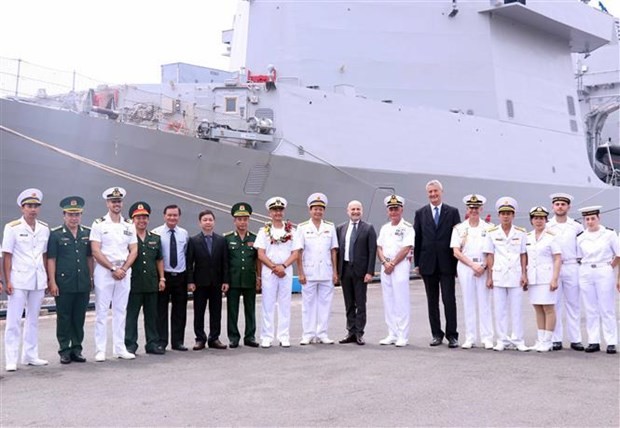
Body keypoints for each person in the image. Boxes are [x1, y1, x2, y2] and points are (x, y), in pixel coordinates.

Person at [2, 188, 50, 371]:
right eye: (29, 206)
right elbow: (7, 255)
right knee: (14, 320)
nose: (33, 209)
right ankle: (11, 358)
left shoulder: (44, 228)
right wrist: (8, 281)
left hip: (38, 279)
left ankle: (30, 355)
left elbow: (44, 255)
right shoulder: (12, 227)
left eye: (36, 206)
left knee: (33, 319)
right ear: (22, 208)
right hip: (19, 279)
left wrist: (46, 277)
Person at [90, 187, 138, 362]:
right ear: (107, 203)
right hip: (105, 271)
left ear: (121, 203)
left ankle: (120, 348)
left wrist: (123, 269)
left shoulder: (128, 224)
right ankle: (100, 350)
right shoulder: (99, 224)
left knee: (120, 311)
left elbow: (134, 249)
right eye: (113, 201)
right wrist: (112, 269)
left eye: (118, 201)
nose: (116, 204)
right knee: (101, 312)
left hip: (124, 272)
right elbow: (95, 250)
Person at [414, 179, 461, 348]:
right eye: (430, 192)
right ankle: (436, 334)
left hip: (447, 263)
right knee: (432, 301)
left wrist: (457, 265)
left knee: (449, 300)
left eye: (436, 191)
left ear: (441, 192)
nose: (433, 194)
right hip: (428, 264)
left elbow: (457, 239)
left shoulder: (452, 212)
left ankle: (452, 335)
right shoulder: (421, 213)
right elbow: (417, 239)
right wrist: (417, 263)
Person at [46, 196, 93, 364]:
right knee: (64, 317)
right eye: (70, 214)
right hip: (64, 283)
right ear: (64, 215)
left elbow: (89, 258)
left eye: (77, 214)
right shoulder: (56, 234)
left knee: (79, 317)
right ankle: (64, 350)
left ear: (81, 215)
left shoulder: (86, 233)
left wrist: (91, 277)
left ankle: (77, 349)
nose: (74, 218)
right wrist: (52, 281)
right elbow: (51, 259)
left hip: (82, 282)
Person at [483, 197, 529, 352]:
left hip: (516, 274)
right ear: (499, 215)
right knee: (500, 309)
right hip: (499, 274)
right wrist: (489, 277)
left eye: (509, 213)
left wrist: (524, 274)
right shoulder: (492, 233)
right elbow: (490, 255)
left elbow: (523, 255)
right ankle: (502, 339)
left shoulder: (521, 233)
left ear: (513, 215)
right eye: (503, 213)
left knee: (517, 309)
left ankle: (518, 339)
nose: (506, 216)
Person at [450, 194, 494, 349]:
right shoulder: (460, 228)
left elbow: (491, 252)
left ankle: (487, 337)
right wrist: (472, 265)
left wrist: (483, 267)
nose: (474, 210)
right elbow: (456, 251)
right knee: (468, 302)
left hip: (483, 266)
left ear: (481, 209)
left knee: (485, 302)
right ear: (467, 209)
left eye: (476, 208)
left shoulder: (489, 228)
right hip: (466, 266)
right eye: (471, 207)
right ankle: (470, 337)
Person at [254, 197, 299, 348]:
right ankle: (266, 336)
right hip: (270, 271)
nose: (277, 213)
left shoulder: (292, 231)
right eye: (274, 210)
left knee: (285, 304)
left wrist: (283, 266)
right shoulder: (264, 231)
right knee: (268, 304)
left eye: (280, 210)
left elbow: (295, 253)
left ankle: (284, 336)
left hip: (285, 271)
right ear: (270, 212)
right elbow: (260, 254)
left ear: (283, 211)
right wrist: (274, 267)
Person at [296, 193, 339, 345]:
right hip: (309, 272)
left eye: (321, 209)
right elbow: (298, 252)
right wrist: (300, 272)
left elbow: (333, 250)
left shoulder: (330, 227)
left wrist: (335, 272)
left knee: (325, 304)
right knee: (308, 305)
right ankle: (308, 333)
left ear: (324, 211)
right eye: (315, 209)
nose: (318, 212)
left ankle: (322, 333)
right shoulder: (302, 228)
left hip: (326, 272)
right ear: (310, 210)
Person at [576, 206, 620, 354]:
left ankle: (611, 342)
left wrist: (610, 267)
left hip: (603, 270)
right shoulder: (581, 237)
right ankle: (593, 341)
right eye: (587, 219)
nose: (590, 222)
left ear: (598, 218)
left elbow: (618, 254)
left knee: (606, 308)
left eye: (592, 218)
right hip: (586, 271)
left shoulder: (609, 234)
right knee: (590, 308)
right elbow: (578, 256)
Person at [125, 202, 166, 355]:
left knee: (152, 316)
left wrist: (162, 278)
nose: (142, 220)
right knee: (131, 316)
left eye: (144, 217)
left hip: (151, 282)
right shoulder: (128, 239)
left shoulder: (155, 238)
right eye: (138, 218)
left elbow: (159, 259)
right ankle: (130, 344)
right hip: (133, 283)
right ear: (132, 220)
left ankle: (152, 344)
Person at [187, 209, 230, 351]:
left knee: (216, 311)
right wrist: (190, 281)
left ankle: (214, 338)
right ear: (200, 223)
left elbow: (225, 263)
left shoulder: (221, 240)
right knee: (199, 312)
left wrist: (225, 281)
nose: (208, 222)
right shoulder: (193, 241)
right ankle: (200, 339)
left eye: (210, 220)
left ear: (214, 222)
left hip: (216, 282)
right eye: (205, 220)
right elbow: (189, 263)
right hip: (200, 283)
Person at [547, 193, 585, 351]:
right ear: (553, 207)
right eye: (557, 204)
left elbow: (582, 246)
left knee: (573, 304)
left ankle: (575, 339)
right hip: (553, 268)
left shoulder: (576, 226)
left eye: (563, 204)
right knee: (554, 304)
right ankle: (556, 339)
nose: (560, 207)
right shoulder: (547, 226)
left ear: (568, 207)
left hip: (571, 266)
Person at [336, 200, 377, 345]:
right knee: (348, 303)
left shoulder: (368, 228)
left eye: (358, 209)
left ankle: (359, 332)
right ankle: (350, 332)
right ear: (348, 211)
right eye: (353, 209)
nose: (355, 212)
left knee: (360, 303)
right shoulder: (341, 228)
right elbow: (338, 251)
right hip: (345, 269)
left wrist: (370, 272)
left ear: (362, 211)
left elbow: (372, 251)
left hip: (360, 272)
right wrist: (336, 272)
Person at [377, 195, 415, 347]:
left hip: (399, 265)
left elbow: (406, 248)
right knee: (388, 300)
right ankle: (392, 333)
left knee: (401, 300)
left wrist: (392, 263)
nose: (393, 212)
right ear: (388, 211)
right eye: (391, 209)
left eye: (396, 209)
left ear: (402, 209)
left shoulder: (407, 227)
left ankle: (402, 335)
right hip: (386, 265)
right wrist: (385, 262)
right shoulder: (385, 228)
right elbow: (379, 247)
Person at [152, 204, 190, 351]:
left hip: (180, 275)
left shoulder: (184, 234)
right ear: (164, 216)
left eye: (175, 215)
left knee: (180, 310)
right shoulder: (156, 233)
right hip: (164, 276)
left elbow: (186, 254)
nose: (172, 218)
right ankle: (162, 341)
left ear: (179, 217)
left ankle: (178, 341)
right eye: (169, 215)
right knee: (160, 310)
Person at [224, 202, 261, 348]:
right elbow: (225, 262)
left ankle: (250, 336)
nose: (242, 222)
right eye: (239, 219)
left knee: (250, 309)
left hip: (249, 278)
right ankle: (233, 337)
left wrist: (259, 277)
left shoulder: (255, 238)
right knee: (232, 310)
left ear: (248, 220)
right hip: (233, 279)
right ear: (234, 221)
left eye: (245, 219)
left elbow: (258, 259)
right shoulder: (227, 238)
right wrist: (225, 280)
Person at [525, 206, 561, 352]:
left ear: (546, 220)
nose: (538, 221)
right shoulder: (527, 237)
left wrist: (555, 279)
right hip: (533, 278)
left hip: (547, 277)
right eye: (535, 218)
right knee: (538, 307)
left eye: (541, 218)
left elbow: (558, 259)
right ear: (531, 220)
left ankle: (548, 340)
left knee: (548, 308)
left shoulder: (552, 236)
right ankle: (540, 339)